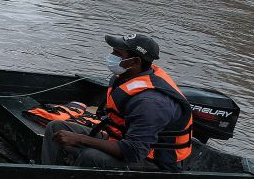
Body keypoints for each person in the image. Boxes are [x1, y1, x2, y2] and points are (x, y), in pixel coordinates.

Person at [41, 33, 194, 171]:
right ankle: (50, 175)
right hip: (121, 138)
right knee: (56, 127)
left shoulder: (150, 102)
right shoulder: (126, 76)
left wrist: (81, 139)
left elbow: (133, 151)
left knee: (90, 156)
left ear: (134, 62)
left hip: (154, 161)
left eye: (117, 53)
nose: (111, 56)